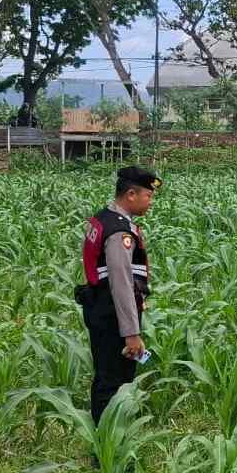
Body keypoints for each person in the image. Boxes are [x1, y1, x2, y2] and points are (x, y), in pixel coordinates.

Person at [76, 165, 161, 425]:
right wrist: (132, 334)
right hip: (112, 314)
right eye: (149, 196)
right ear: (131, 195)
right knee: (114, 381)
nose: (151, 202)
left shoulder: (103, 218)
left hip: (100, 308)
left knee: (106, 376)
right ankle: (109, 445)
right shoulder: (119, 232)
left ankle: (108, 441)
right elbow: (121, 285)